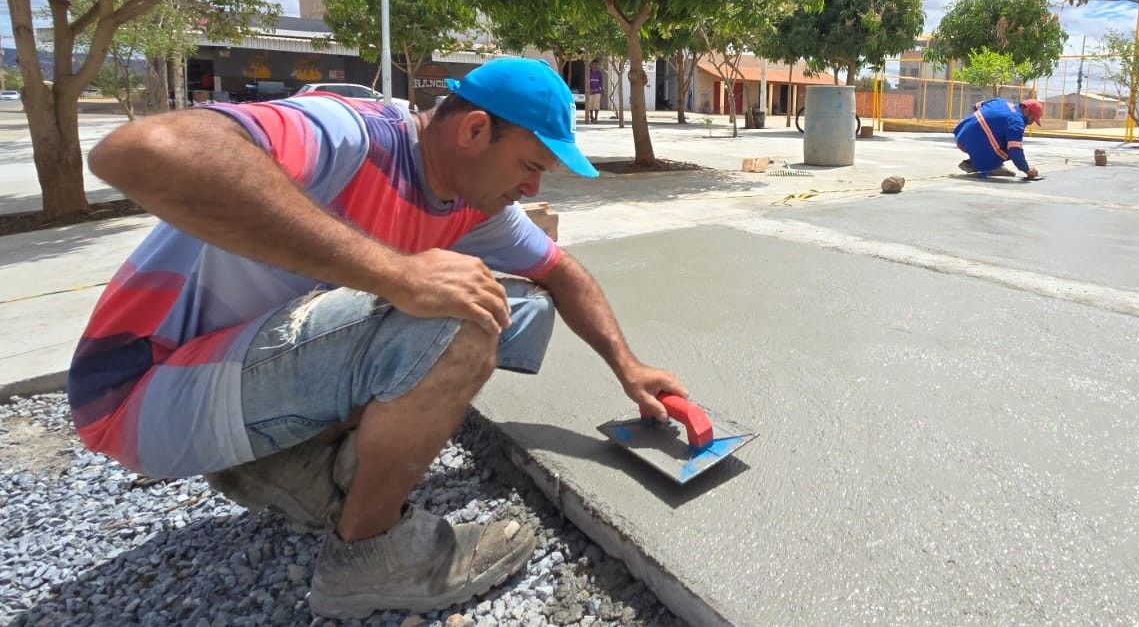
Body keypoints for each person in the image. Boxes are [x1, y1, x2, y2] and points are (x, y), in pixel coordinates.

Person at [69, 57, 687, 618]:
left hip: (231, 376)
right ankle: (369, 554)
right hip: (145, 392)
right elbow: (140, 151)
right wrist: (400, 273)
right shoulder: (353, 134)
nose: (534, 189)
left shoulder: (470, 202)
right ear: (474, 131)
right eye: (530, 166)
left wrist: (628, 368)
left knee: (518, 307)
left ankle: (290, 465)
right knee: (459, 321)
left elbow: (561, 272)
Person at [954, 97, 1044, 179]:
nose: (1030, 123)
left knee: (996, 135)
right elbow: (1015, 151)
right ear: (1027, 110)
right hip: (972, 144)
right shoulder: (1017, 121)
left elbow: (977, 106)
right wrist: (1027, 170)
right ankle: (985, 166)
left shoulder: (1000, 101)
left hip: (960, 135)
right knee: (1011, 147)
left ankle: (977, 160)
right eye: (1032, 119)